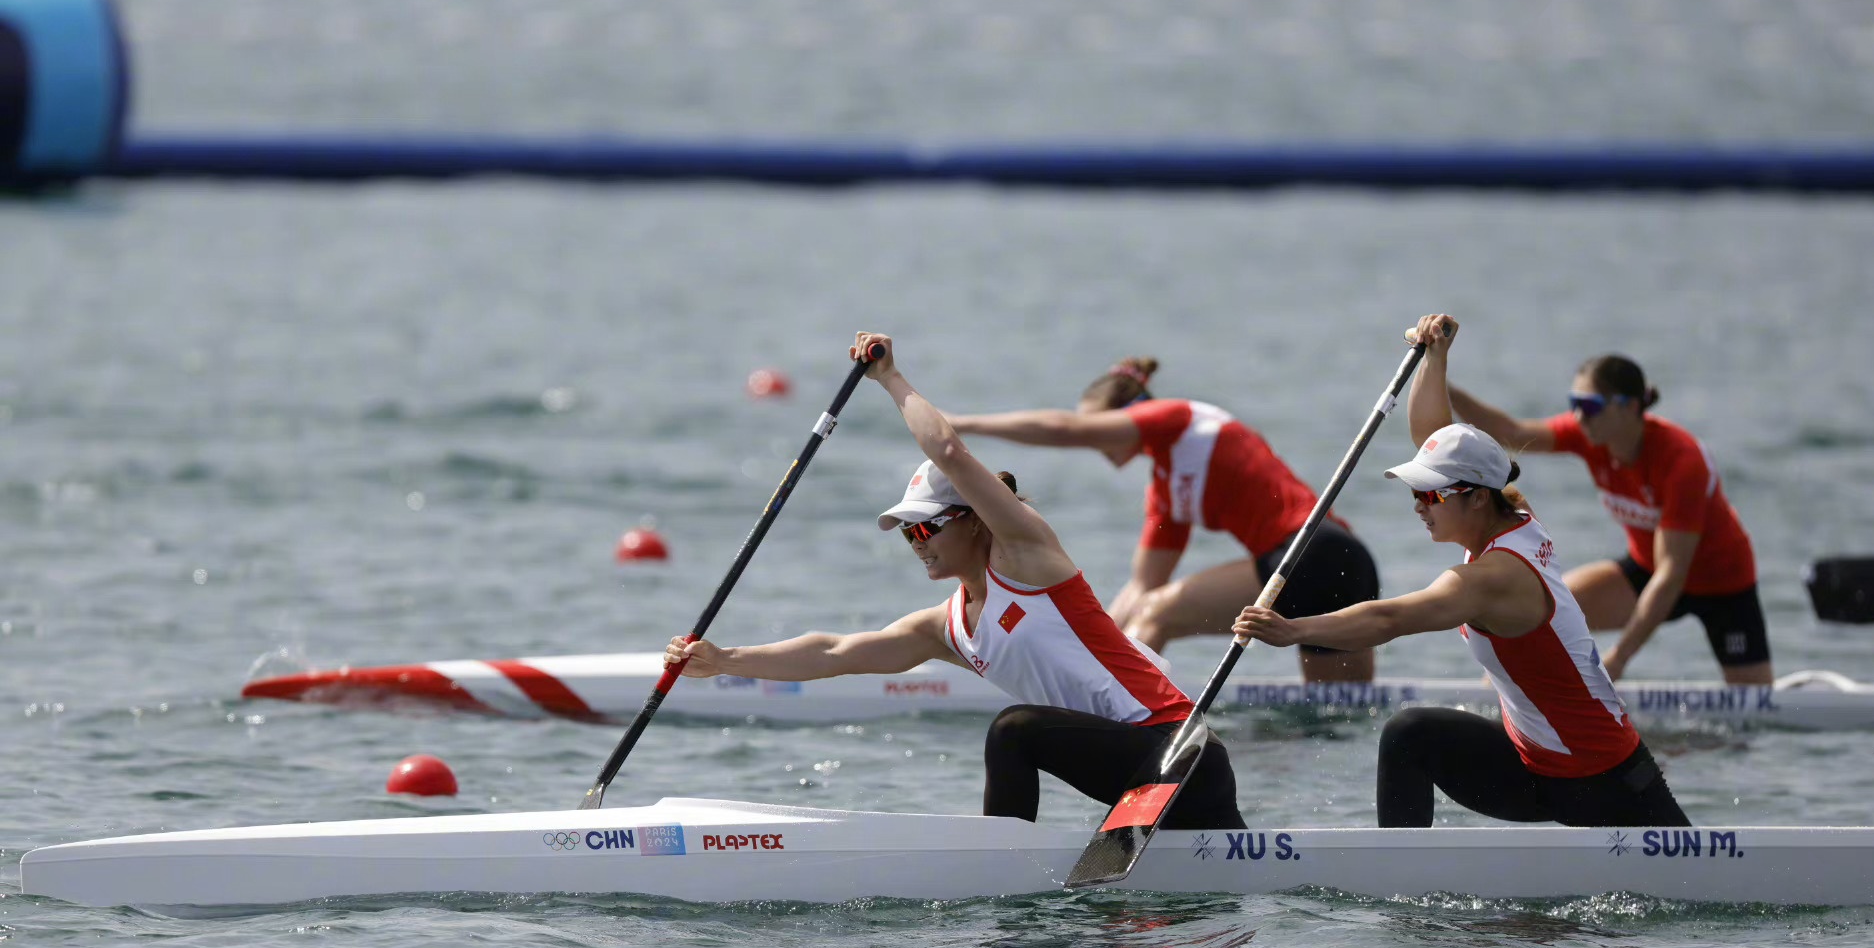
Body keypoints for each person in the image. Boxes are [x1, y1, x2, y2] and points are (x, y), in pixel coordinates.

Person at [664, 334, 1245, 831]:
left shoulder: (1028, 557)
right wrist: (725, 659)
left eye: (926, 529)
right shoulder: (948, 628)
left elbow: (948, 450)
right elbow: (835, 652)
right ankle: (1008, 872)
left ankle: (1000, 868)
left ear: (971, 518)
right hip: (1135, 775)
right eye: (907, 536)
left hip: (1179, 750)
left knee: (1013, 731)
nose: (918, 545)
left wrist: (889, 377)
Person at [1234, 314, 1690, 830]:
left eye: (1430, 494)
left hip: (1602, 782)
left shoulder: (1492, 579)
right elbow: (1435, 436)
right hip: (1537, 769)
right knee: (1410, 735)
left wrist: (1294, 630)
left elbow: (1389, 621)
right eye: (1415, 492)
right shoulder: (1510, 510)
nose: (1419, 506)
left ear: (1475, 499)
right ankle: (1402, 890)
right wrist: (1435, 357)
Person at [947, 357, 1380, 682]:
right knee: (1332, 715)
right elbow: (1142, 586)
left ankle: (1121, 713)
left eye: (1096, 426)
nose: (1094, 439)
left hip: (1309, 551)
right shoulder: (1167, 491)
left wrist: (962, 424)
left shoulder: (1177, 418)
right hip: (1343, 565)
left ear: (1130, 412)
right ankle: (1104, 689)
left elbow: (1063, 431)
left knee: (1159, 616)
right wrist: (1073, 652)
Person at [1443, 351, 1771, 684]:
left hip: (1723, 584)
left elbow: (1672, 575)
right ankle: (1495, 704)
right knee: (1537, 611)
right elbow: (1508, 430)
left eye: (1589, 406)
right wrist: (1442, 384)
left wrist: (1618, 659)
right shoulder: (1590, 435)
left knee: (1756, 704)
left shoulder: (1682, 461)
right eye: (1574, 402)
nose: (1577, 415)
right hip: (1647, 569)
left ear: (1629, 407)